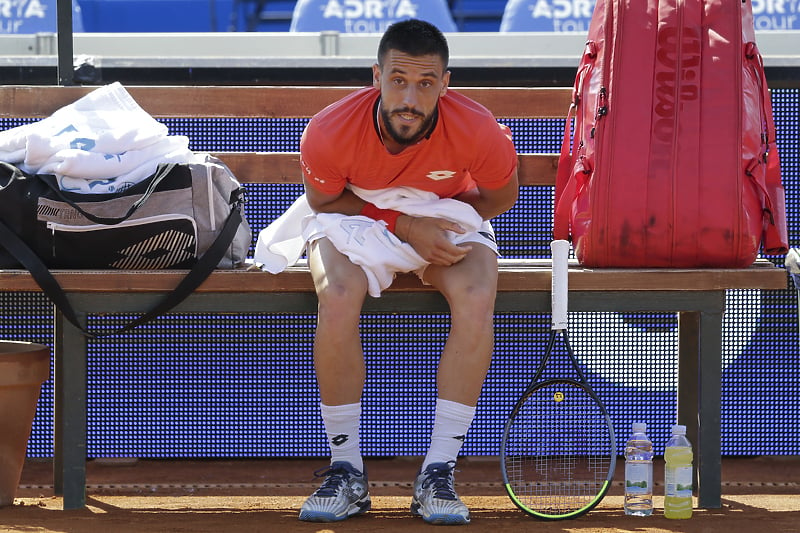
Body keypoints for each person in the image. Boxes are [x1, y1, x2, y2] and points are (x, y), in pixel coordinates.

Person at [296, 19, 519, 525]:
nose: (410, 98)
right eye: (398, 80)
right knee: (336, 293)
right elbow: (323, 201)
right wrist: (402, 223)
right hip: (357, 214)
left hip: (444, 209)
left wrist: (437, 221)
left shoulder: (479, 129)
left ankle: (438, 472)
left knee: (477, 294)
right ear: (376, 76)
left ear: (445, 83)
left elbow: (500, 198)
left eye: (425, 83)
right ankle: (346, 469)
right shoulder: (330, 130)